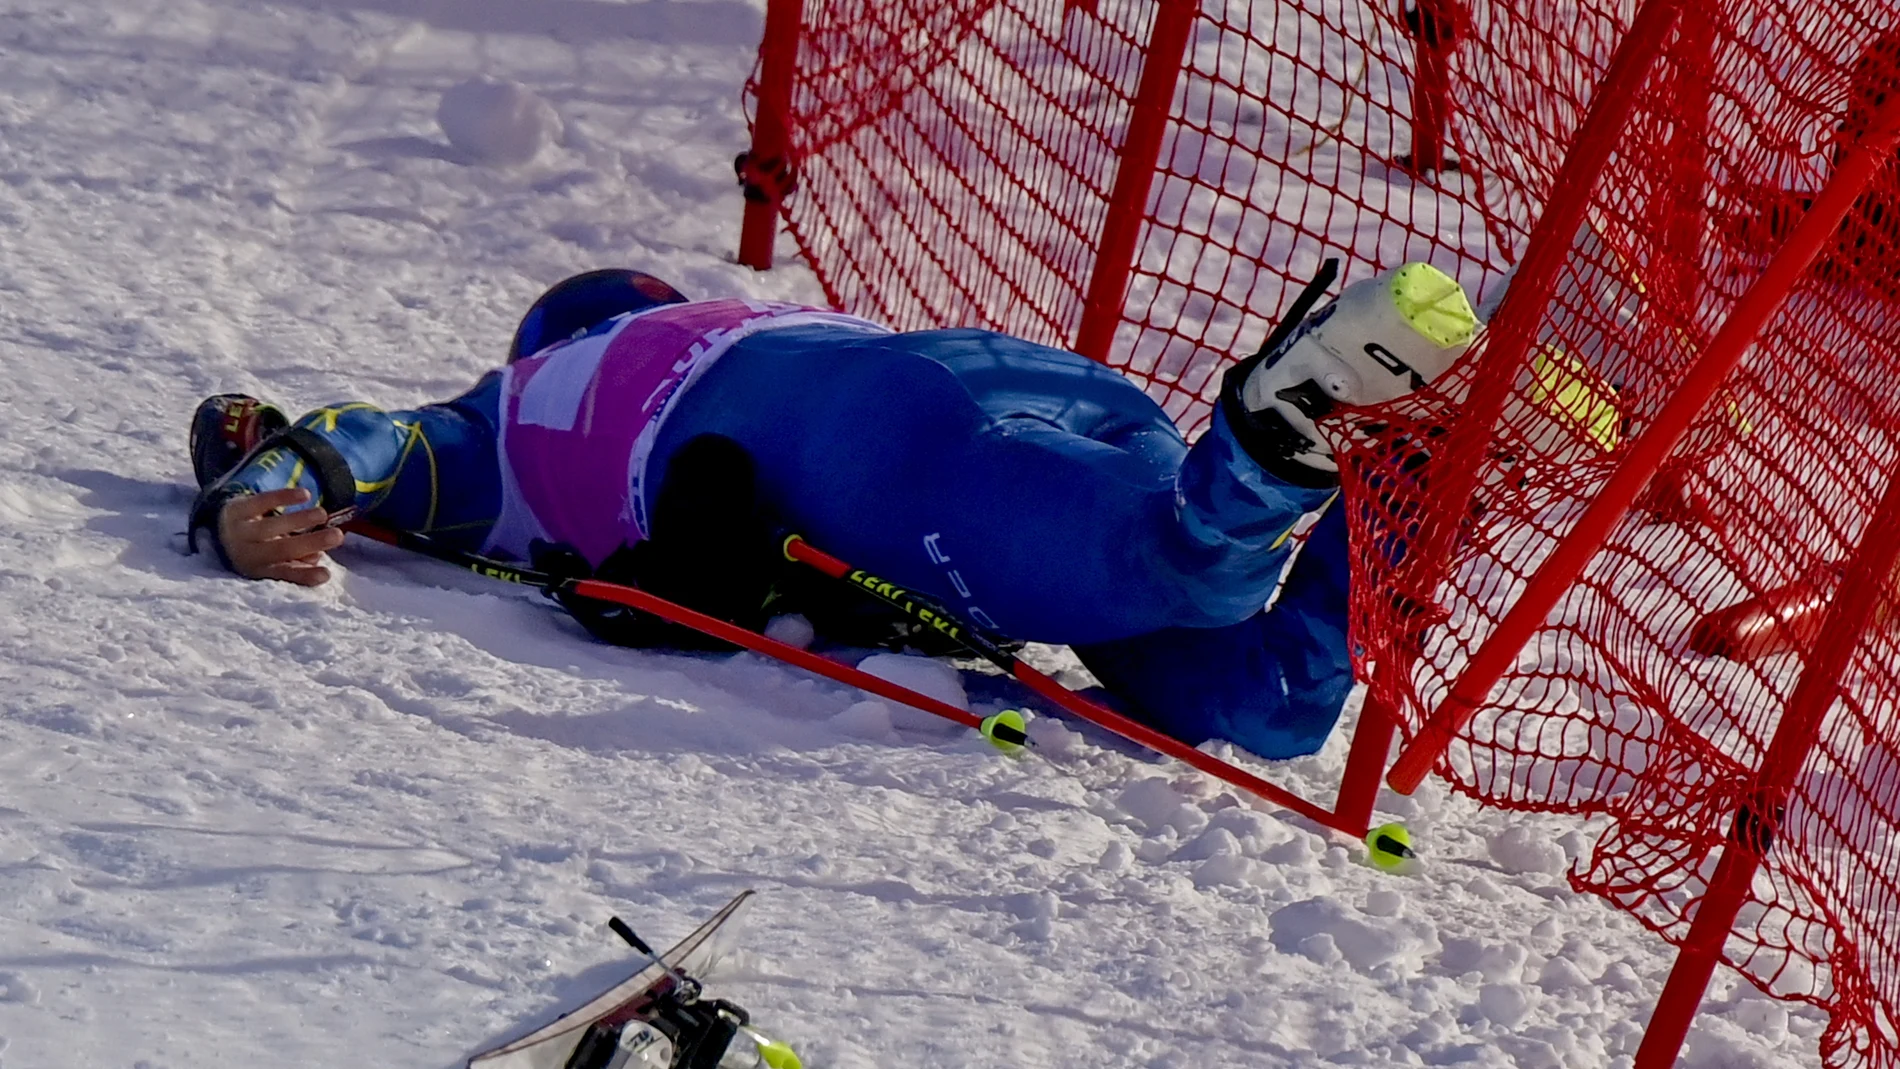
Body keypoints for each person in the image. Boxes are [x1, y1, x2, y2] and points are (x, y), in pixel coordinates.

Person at [186, 264, 1478, 760]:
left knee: (1179, 568)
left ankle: (1275, 436)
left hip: (856, 444)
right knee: (1266, 708)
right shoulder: (700, 327)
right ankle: (1406, 484)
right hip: (1010, 396)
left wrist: (262, 496)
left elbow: (367, 443)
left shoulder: (508, 413)